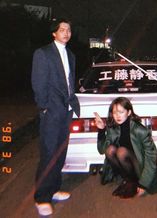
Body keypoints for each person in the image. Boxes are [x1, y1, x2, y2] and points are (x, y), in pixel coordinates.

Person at [31, 18, 80, 216]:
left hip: (66, 109)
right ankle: (41, 197)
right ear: (54, 33)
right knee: (49, 152)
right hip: (51, 111)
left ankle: (54, 188)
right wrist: (44, 107)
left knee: (60, 152)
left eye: (68, 29)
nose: (66, 32)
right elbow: (38, 82)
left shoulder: (70, 54)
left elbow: (69, 83)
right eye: (62, 29)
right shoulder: (43, 53)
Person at [94, 97, 157, 199]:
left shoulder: (140, 130)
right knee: (110, 150)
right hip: (127, 166)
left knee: (121, 151)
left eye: (121, 112)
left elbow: (151, 157)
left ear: (129, 112)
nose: (117, 116)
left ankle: (134, 182)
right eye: (115, 113)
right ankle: (128, 181)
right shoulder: (113, 128)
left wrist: (144, 184)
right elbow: (101, 150)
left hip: (140, 167)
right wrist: (101, 130)